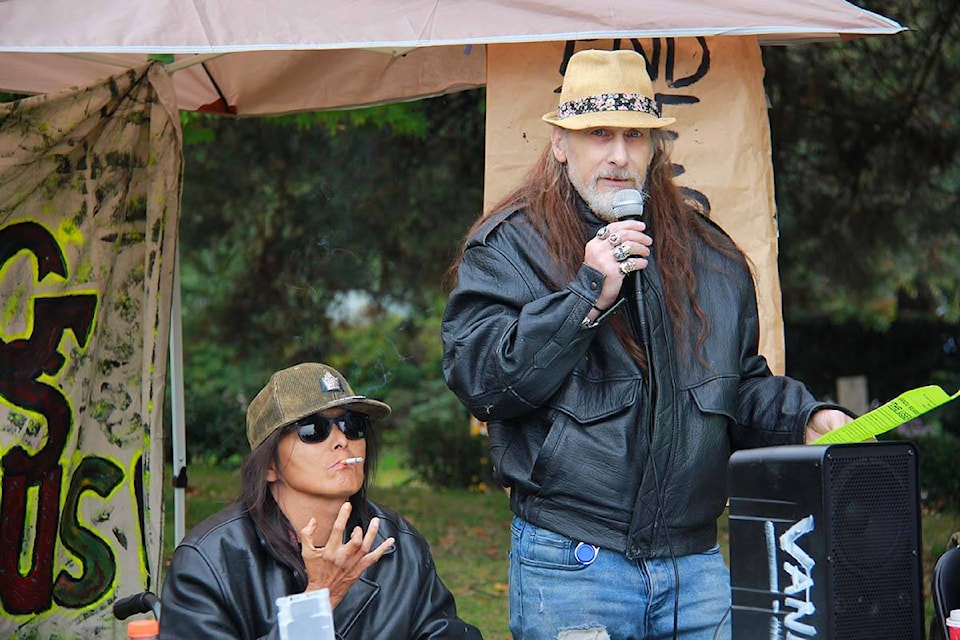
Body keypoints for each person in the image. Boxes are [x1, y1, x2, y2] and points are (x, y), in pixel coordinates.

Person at [440, 49, 853, 640]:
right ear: (560, 144)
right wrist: (586, 294)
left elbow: (738, 384)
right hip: (573, 559)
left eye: (634, 135)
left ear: (656, 146)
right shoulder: (509, 246)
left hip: (695, 565)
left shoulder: (712, 255)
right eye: (598, 134)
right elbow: (483, 380)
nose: (618, 154)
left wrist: (803, 419)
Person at [159, 362, 483, 640]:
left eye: (352, 425)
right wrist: (320, 599)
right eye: (313, 429)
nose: (342, 440)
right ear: (269, 464)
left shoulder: (398, 545)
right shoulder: (210, 562)